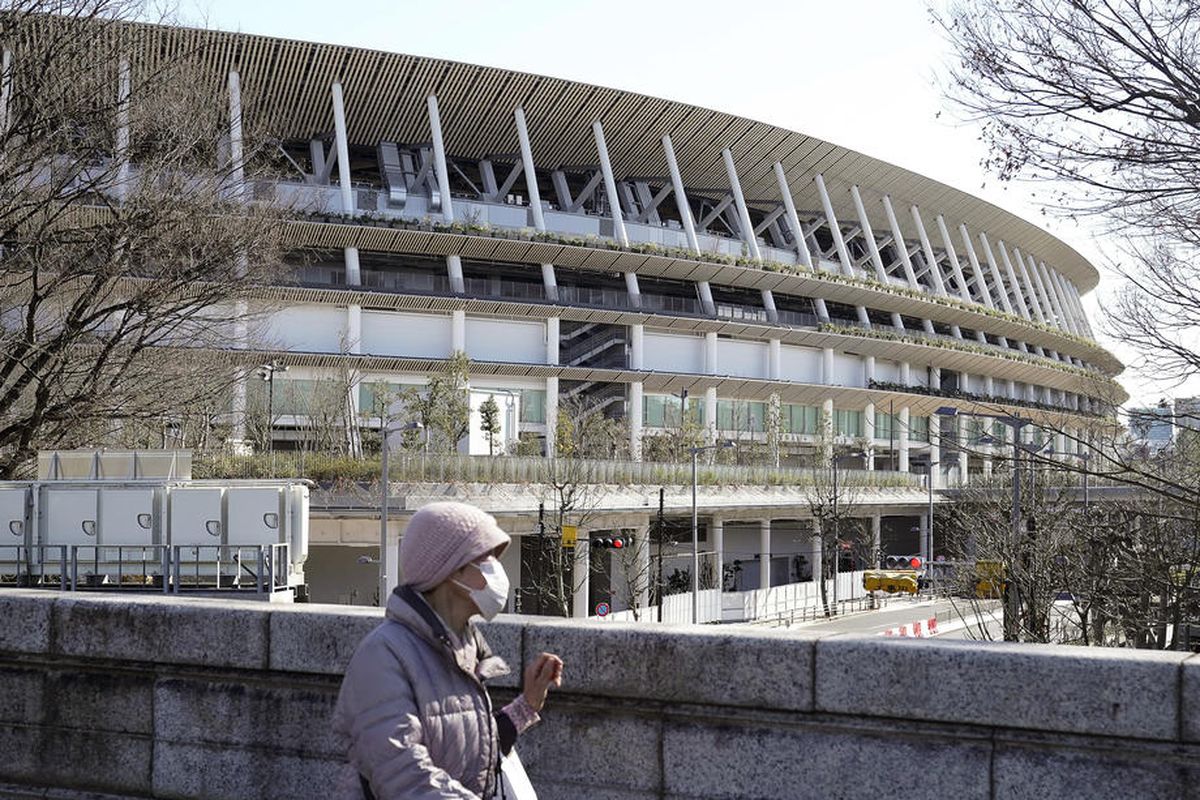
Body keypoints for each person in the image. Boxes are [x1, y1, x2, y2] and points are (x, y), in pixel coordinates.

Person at [333, 501, 564, 799]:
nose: (496, 567)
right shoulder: (383, 655)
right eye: (485, 556)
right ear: (449, 569)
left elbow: (472, 753)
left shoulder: (463, 648)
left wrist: (527, 705)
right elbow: (403, 776)